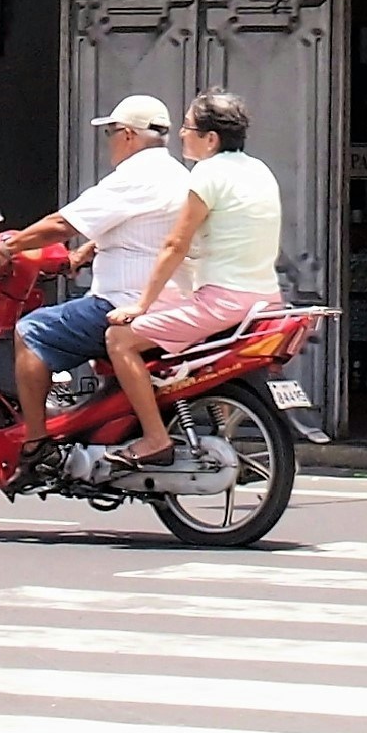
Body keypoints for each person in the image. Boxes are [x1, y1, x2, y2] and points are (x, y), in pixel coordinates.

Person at [0, 93, 194, 460]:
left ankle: (36, 444)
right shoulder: (177, 174)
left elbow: (62, 223)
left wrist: (9, 248)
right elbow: (141, 226)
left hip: (124, 302)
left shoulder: (132, 177)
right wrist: (86, 251)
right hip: (176, 301)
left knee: (29, 332)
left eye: (110, 132)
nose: (109, 141)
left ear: (127, 134)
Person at [106, 91, 288, 462]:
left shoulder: (208, 173)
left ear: (210, 139)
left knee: (120, 339)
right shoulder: (259, 170)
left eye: (188, 127)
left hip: (223, 301)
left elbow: (175, 243)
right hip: (266, 300)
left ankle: (154, 438)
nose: (181, 135)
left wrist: (140, 305)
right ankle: (222, 433)